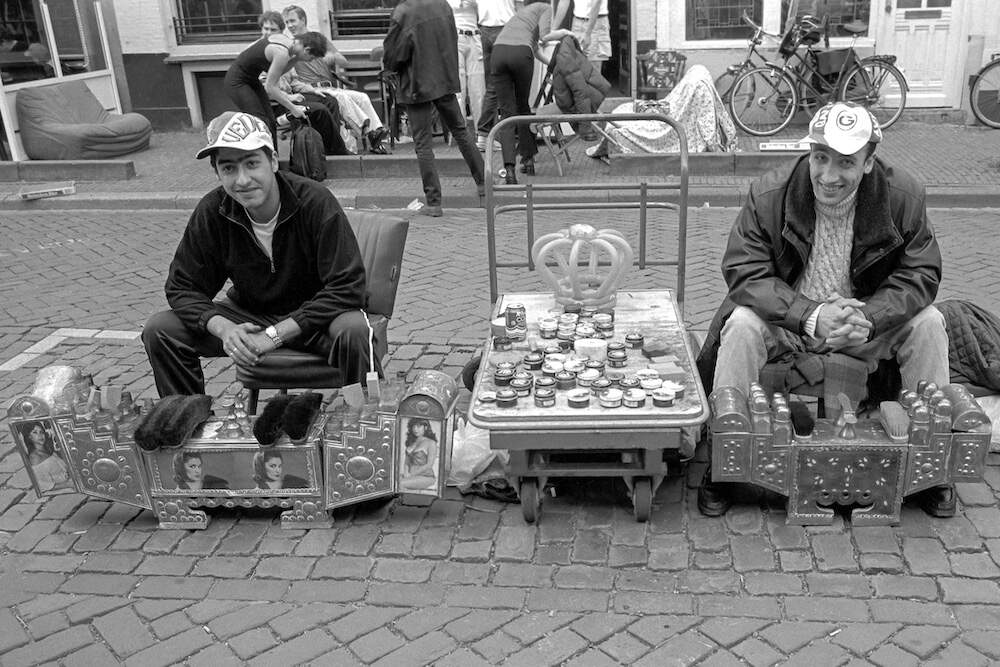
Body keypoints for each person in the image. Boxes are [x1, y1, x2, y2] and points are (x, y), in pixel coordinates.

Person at [695, 101, 954, 518]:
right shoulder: (770, 193)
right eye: (820, 158)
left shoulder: (904, 196)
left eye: (846, 162)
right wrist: (811, 315)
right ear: (810, 151)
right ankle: (727, 460)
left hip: (862, 325)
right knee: (741, 323)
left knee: (930, 323)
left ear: (869, 162)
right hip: (790, 322)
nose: (829, 176)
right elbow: (745, 271)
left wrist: (869, 318)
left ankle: (931, 466)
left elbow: (921, 273)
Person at [141, 111, 380, 397]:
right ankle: (187, 415)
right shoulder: (213, 211)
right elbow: (182, 286)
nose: (242, 180)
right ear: (217, 173)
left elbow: (348, 285)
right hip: (251, 314)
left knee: (354, 329)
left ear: (273, 162)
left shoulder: (315, 202)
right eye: (229, 168)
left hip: (315, 319)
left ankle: (366, 415)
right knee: (161, 329)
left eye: (252, 163)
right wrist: (224, 329)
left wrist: (275, 335)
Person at [383, 0, 487, 217]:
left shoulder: (404, 12)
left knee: (423, 143)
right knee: (461, 131)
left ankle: (434, 202)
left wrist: (390, 68)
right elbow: (451, 38)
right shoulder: (443, 4)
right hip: (443, 78)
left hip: (417, 83)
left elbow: (395, 54)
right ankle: (484, 183)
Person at [281, 5, 389, 154]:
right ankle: (370, 133)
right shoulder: (291, 45)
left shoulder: (319, 40)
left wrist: (332, 56)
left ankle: (376, 136)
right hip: (312, 90)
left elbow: (343, 61)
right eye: (287, 22)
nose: (289, 25)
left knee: (362, 97)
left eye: (292, 21)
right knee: (341, 97)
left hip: (329, 87)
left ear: (303, 20)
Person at [490, 0, 573, 183]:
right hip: (521, 56)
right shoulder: (545, 8)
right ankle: (528, 159)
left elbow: (534, 48)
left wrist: (551, 65)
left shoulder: (521, 16)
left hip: (498, 54)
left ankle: (509, 171)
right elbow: (545, 37)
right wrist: (564, 33)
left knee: (507, 114)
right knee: (523, 108)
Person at [257, 12, 349, 156]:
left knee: (329, 101)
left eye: (273, 30)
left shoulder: (285, 49)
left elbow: (294, 81)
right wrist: (288, 97)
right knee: (320, 109)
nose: (268, 33)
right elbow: (264, 87)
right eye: (266, 29)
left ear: (280, 32)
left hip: (292, 96)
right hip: (276, 103)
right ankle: (336, 152)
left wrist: (312, 90)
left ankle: (329, 148)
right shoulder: (261, 51)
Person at [224, 21, 327, 148]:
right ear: (307, 50)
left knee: (271, 121)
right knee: (260, 121)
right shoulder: (281, 53)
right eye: (312, 58)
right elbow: (270, 87)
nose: (310, 61)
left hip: (252, 80)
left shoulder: (289, 46)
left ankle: (274, 158)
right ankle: (260, 156)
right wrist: (293, 108)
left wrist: (296, 58)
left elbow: (277, 74)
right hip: (237, 82)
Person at [473, 0, 516, 151]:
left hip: (484, 29)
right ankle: (494, 133)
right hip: (505, 27)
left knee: (492, 85)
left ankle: (487, 134)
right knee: (504, 84)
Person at [448, 0, 485, 128]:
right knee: (459, 89)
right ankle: (460, 131)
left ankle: (481, 131)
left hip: (475, 36)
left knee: (478, 88)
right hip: (455, 36)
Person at [552, 0, 610, 68]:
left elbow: (596, 3)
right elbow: (564, 2)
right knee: (575, 65)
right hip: (577, 21)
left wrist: (588, 34)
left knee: (593, 67)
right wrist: (553, 30)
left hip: (596, 22)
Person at [20, 421, 71, 493]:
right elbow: (44, 485)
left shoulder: (47, 449)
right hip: (62, 489)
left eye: (41, 432)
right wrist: (69, 484)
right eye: (35, 432)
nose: (40, 435)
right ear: (29, 437)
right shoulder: (35, 458)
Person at [401, 418, 439, 490]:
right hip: (410, 476)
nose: (415, 429)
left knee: (400, 484)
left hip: (426, 477)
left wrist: (412, 474)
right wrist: (406, 474)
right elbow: (406, 462)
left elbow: (429, 465)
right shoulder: (411, 442)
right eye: (413, 426)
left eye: (418, 426)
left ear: (425, 427)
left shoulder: (431, 443)